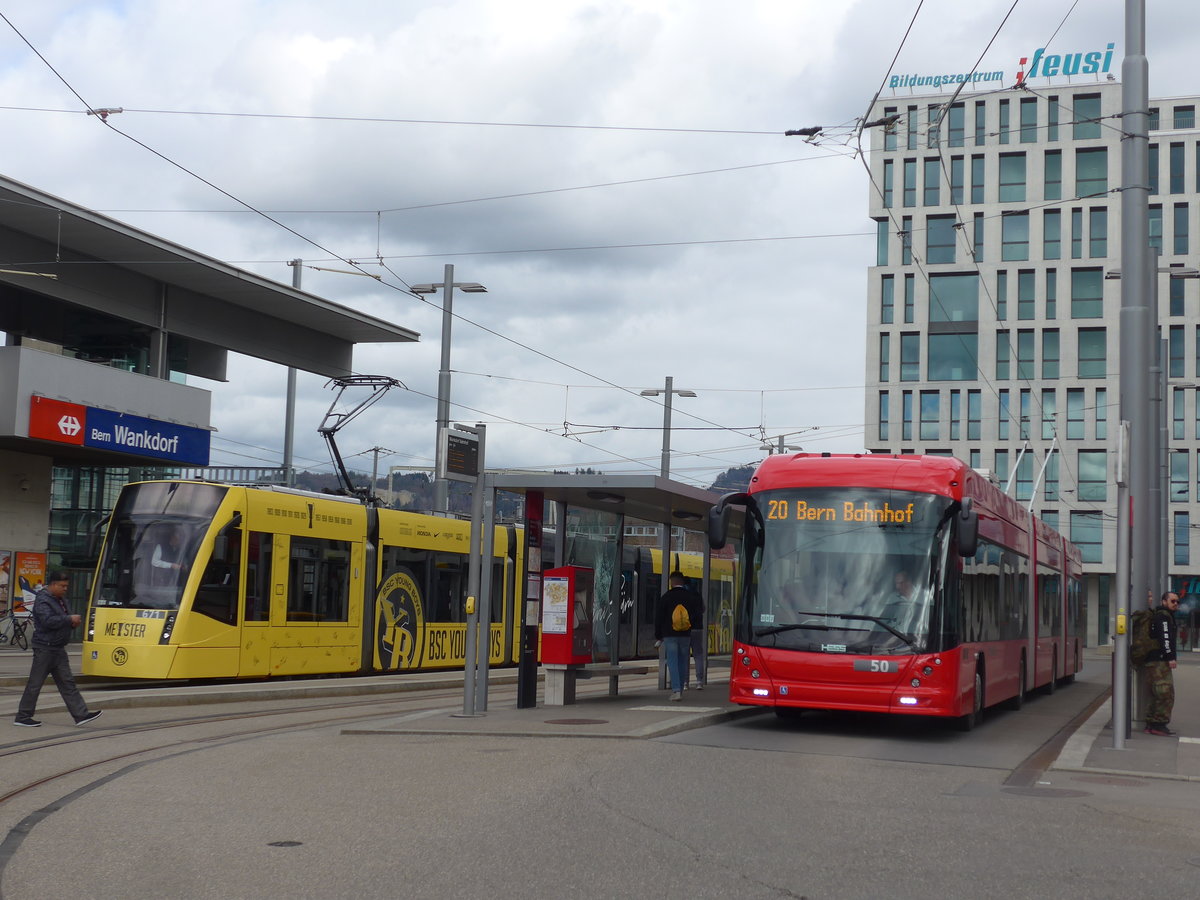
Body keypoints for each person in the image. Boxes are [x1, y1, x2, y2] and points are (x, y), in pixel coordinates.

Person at [14, 571, 103, 728]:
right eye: (62, 586)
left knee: (67, 682)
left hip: (57, 648)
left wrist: (71, 623)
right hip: (45, 648)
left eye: (66, 586)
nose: (65, 589)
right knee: (35, 683)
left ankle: (81, 714)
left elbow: (62, 618)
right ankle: (23, 716)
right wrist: (68, 619)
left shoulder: (60, 599)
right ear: (53, 584)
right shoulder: (43, 600)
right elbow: (48, 621)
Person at [1142, 590, 1180, 736]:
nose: (1176, 604)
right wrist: (1170, 657)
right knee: (1166, 693)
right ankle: (1158, 725)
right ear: (1164, 602)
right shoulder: (1163, 617)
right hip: (1159, 661)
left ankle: (1151, 724)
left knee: (1156, 693)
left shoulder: (1163, 616)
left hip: (1154, 660)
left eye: (1177, 601)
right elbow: (1165, 638)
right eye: (1172, 601)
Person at [654, 572, 695, 701]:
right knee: (683, 662)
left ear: (672, 582)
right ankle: (680, 690)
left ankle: (676, 690)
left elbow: (659, 617)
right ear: (682, 582)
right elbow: (696, 614)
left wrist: (659, 636)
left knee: (672, 661)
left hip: (670, 634)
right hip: (685, 634)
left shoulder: (666, 597)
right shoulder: (690, 597)